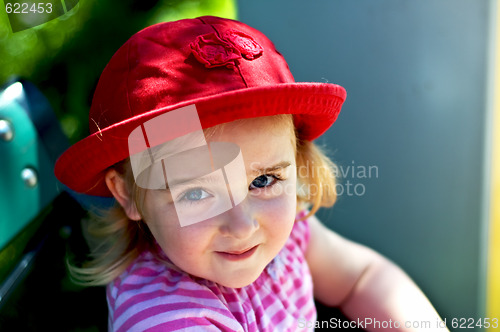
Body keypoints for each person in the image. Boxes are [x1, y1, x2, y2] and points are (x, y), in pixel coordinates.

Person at [55, 16, 448, 331]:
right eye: (195, 193)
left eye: (263, 181)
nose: (242, 226)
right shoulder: (167, 318)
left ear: (296, 161)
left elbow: (362, 277)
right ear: (127, 194)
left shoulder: (288, 230)